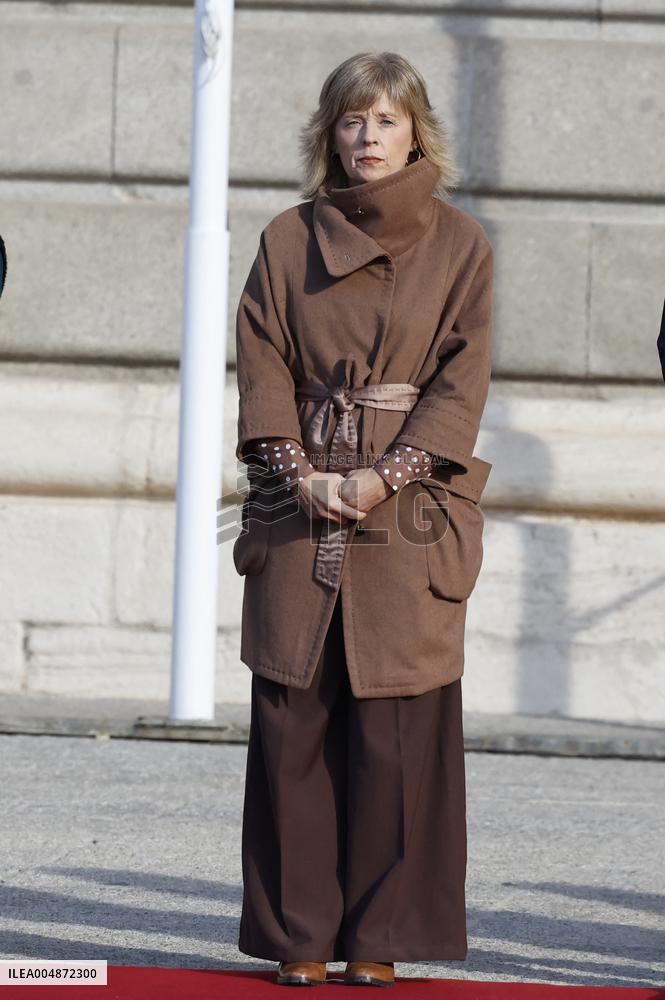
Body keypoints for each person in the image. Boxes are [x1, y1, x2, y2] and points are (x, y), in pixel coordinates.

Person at [233, 50, 494, 988]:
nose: (367, 138)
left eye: (385, 120)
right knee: (294, 721)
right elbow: (259, 359)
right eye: (351, 120)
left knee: (395, 733)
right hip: (298, 497)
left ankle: (379, 932)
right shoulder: (285, 237)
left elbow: (461, 380)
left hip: (409, 505)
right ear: (327, 133)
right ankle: (300, 934)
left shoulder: (462, 244)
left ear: (416, 130)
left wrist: (388, 476)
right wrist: (298, 472)